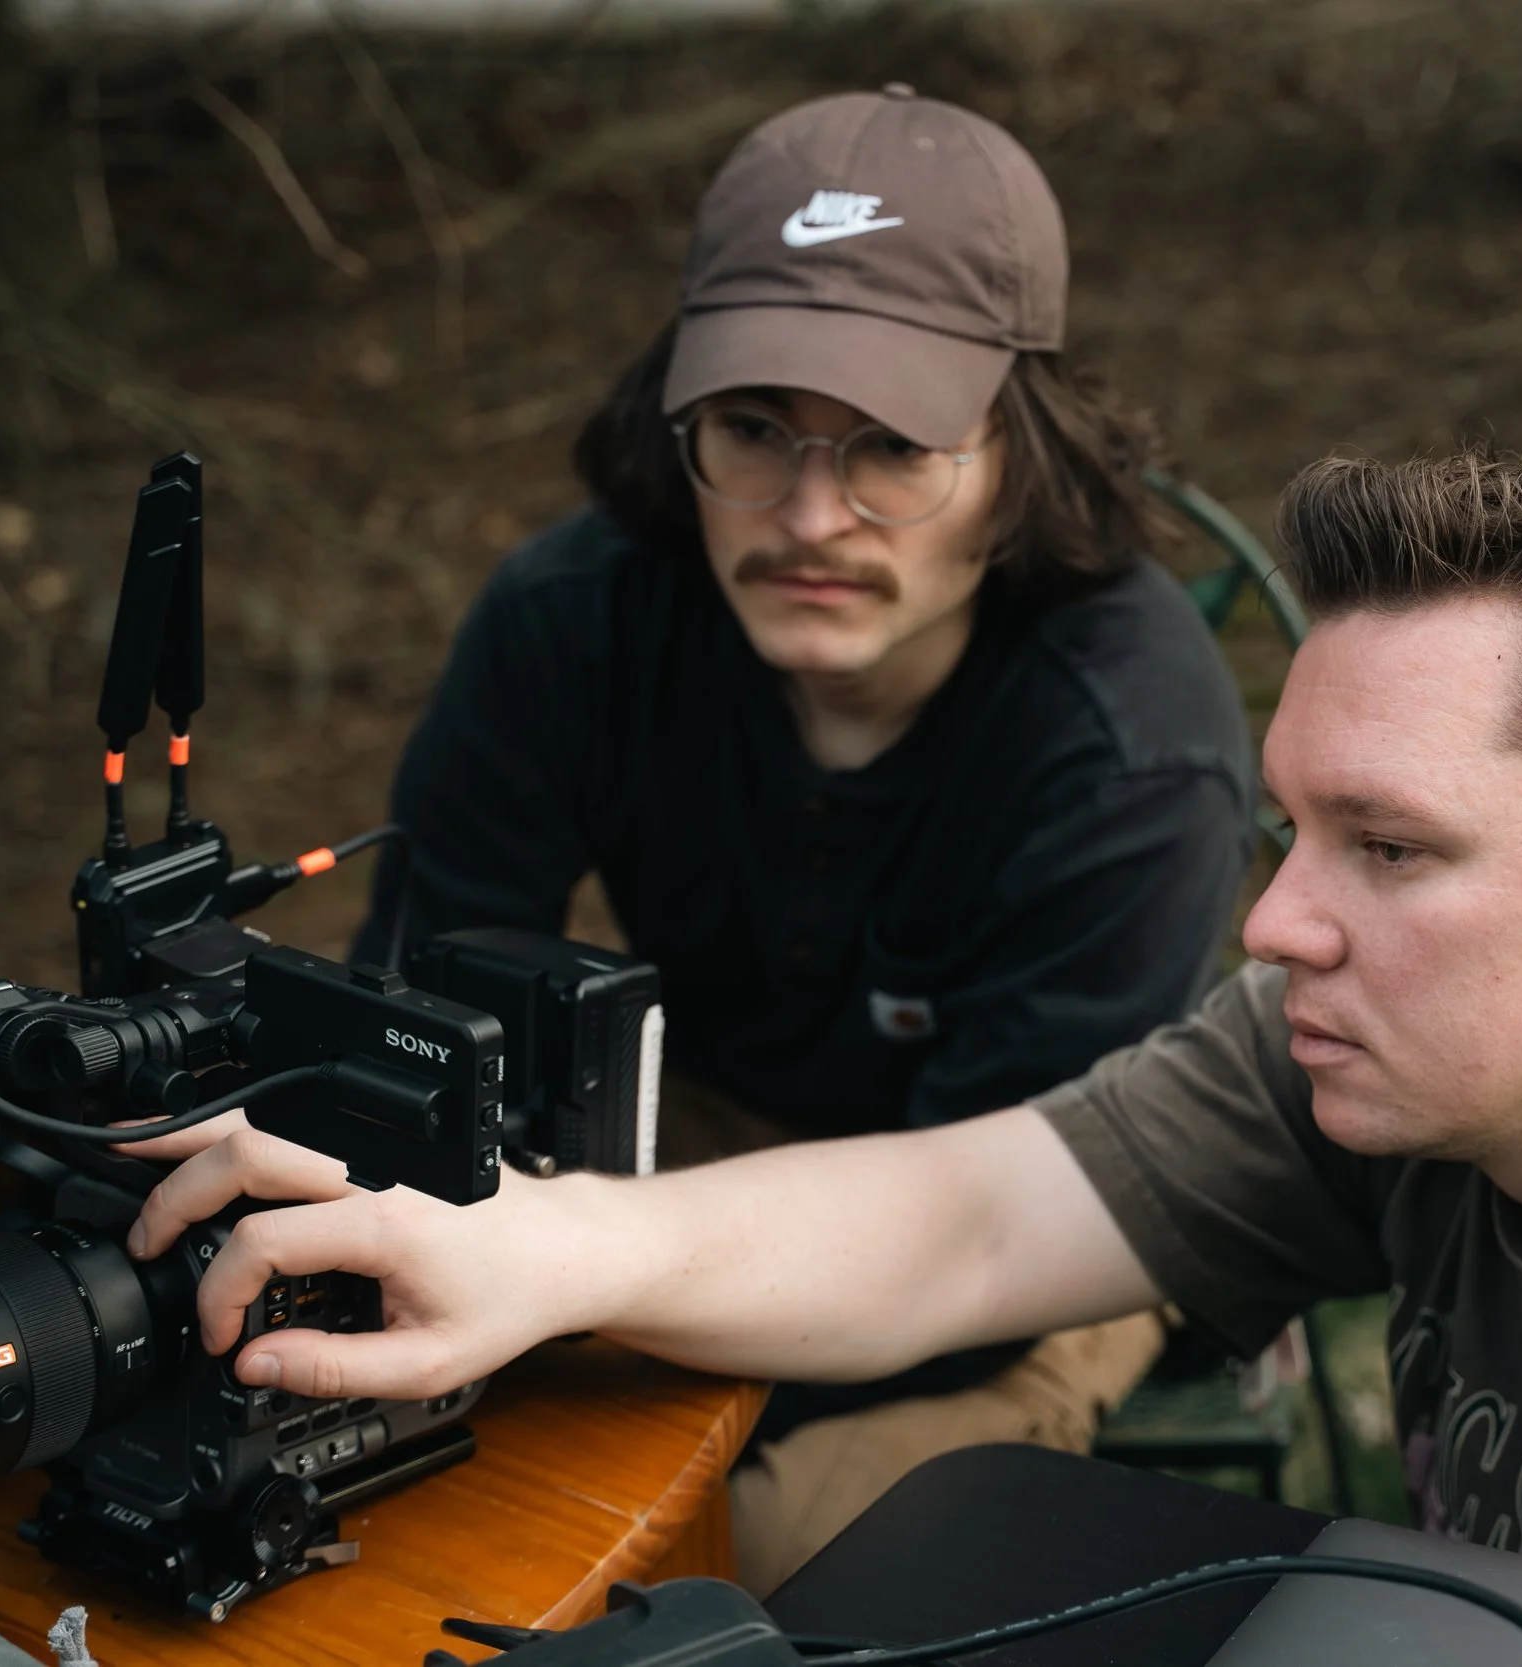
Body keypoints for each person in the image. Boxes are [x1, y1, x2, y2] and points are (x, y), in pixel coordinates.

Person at [126, 438, 1522, 1663]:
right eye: (1294, 824)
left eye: (1388, 847)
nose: (1275, 916)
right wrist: (547, 1243)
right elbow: (980, 1204)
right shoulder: (1417, 1042)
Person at [343, 87, 1254, 1589]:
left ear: (1020, 453)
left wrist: (576, 1340)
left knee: (670, 1571)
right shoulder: (573, 623)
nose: (813, 515)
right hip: (670, 1134)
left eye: (894, 446)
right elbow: (416, 1023)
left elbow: (993, 1249)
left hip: (1018, 1219)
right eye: (756, 430)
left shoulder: (1130, 750)